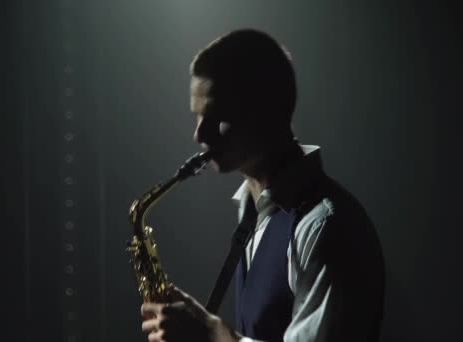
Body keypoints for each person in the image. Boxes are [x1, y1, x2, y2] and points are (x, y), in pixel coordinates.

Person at [140, 29, 385, 342]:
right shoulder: (255, 212)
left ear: (265, 109)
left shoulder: (326, 226)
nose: (199, 136)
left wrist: (214, 338)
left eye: (216, 117)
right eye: (197, 117)